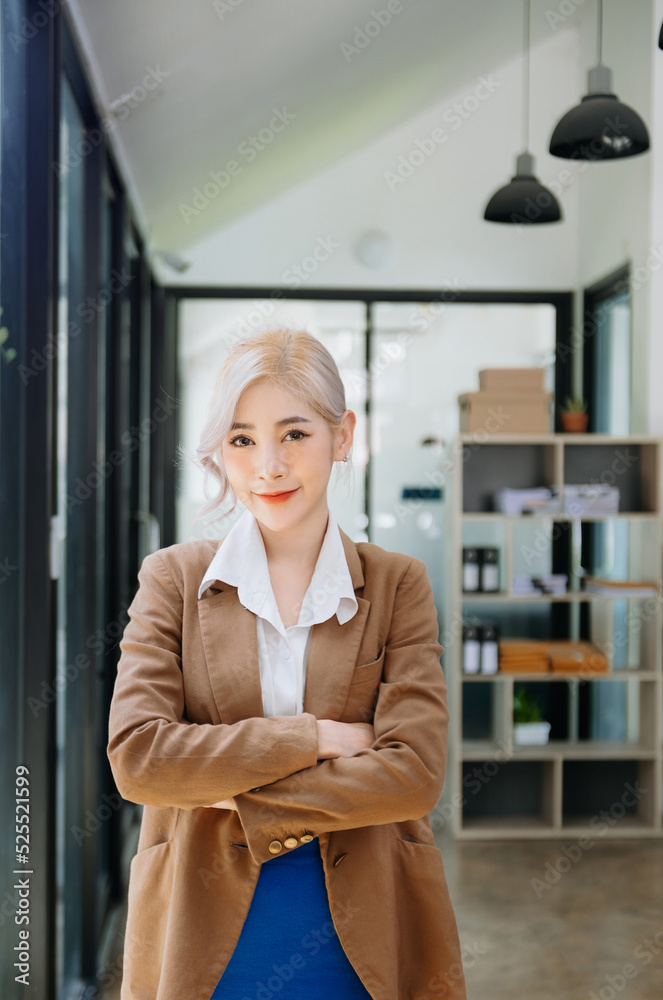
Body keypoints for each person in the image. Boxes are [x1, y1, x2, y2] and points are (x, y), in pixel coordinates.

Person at [107, 326, 467, 1000]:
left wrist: (219, 787)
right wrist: (314, 739)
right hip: (199, 925)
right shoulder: (173, 580)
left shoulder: (398, 585)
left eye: (294, 434)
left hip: (363, 928)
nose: (267, 466)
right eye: (241, 439)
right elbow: (138, 760)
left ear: (343, 435)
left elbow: (414, 776)